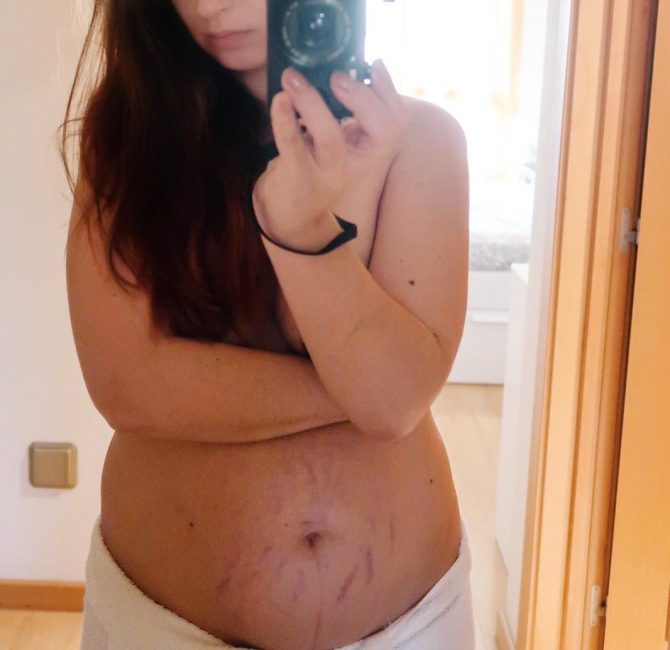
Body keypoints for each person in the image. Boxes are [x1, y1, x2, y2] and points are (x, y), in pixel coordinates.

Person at [61, 0, 474, 648]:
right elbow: (128, 386)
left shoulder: (419, 141)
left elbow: (390, 399)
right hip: (164, 624)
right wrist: (356, 391)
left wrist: (312, 226)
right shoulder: (128, 143)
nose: (207, 5)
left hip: (410, 626)